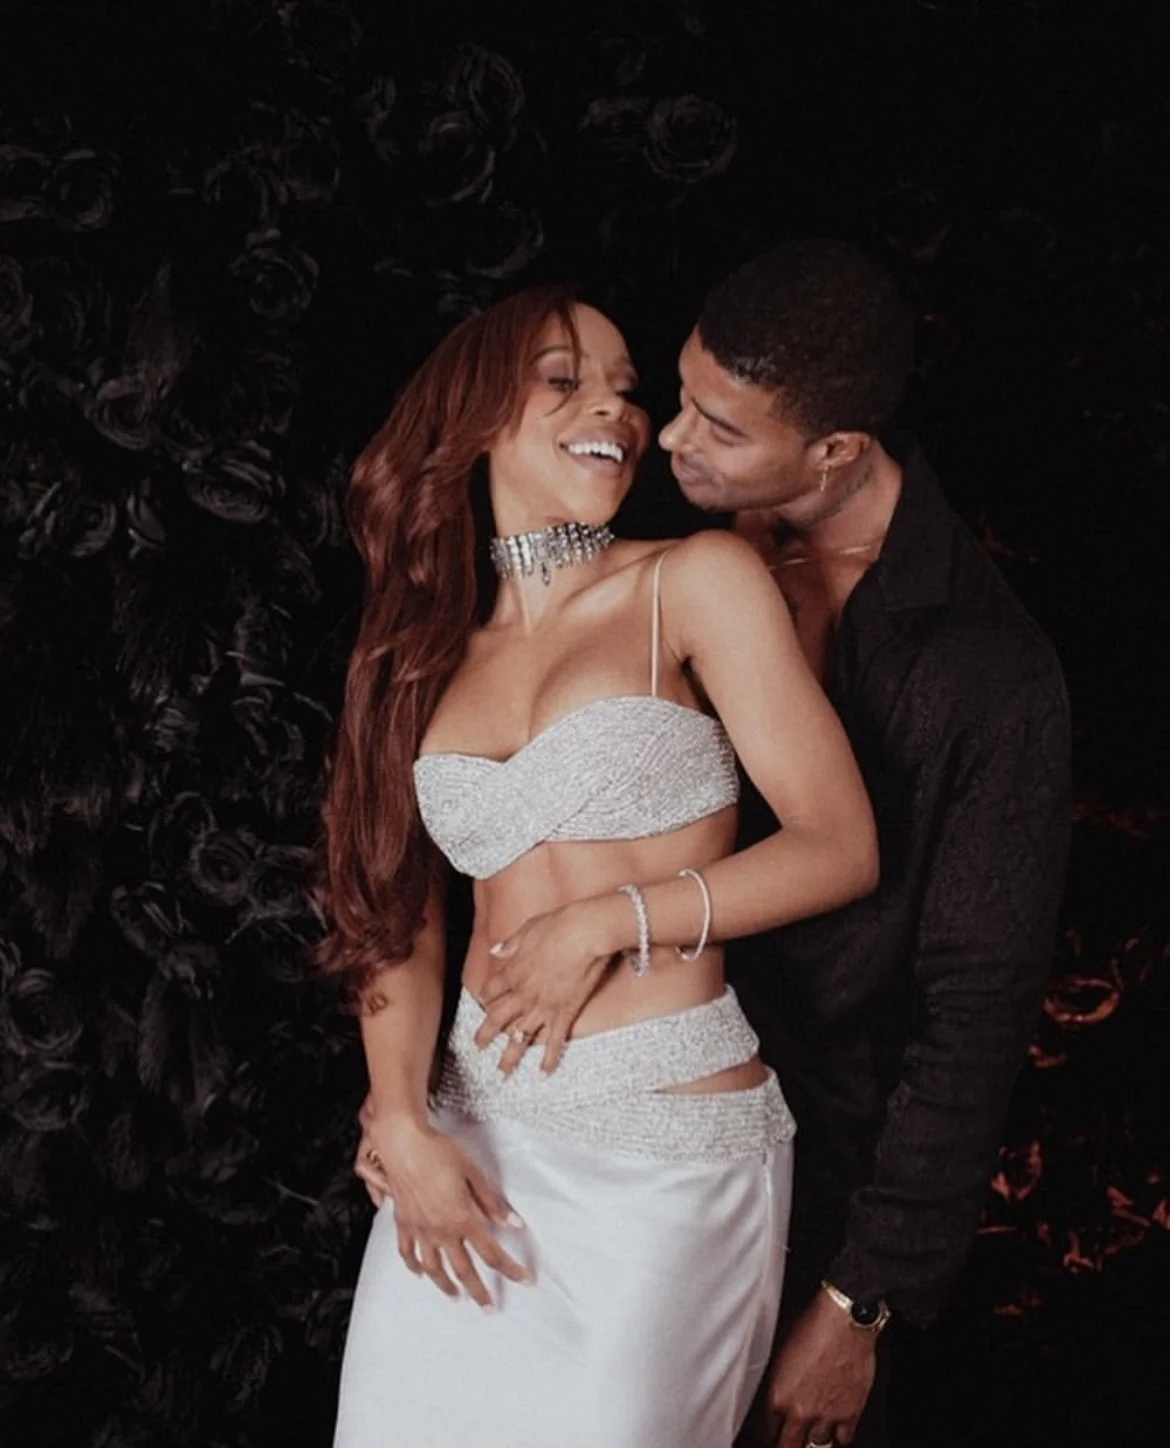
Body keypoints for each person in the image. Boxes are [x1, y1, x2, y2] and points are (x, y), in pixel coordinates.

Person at [319, 284, 879, 1448]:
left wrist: (612, 919)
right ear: (473, 414)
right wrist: (401, 1114)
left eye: (628, 388)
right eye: (564, 376)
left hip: (660, 1173)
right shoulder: (421, 647)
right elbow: (398, 916)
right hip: (464, 1151)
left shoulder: (692, 581)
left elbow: (841, 844)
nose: (614, 411)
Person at [658, 238, 1072, 1448]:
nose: (675, 438)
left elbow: (974, 1011)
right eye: (682, 396)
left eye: (722, 428)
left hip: (820, 1196)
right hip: (625, 1149)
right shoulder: (663, 548)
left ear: (836, 448)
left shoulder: (995, 673)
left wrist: (860, 1299)